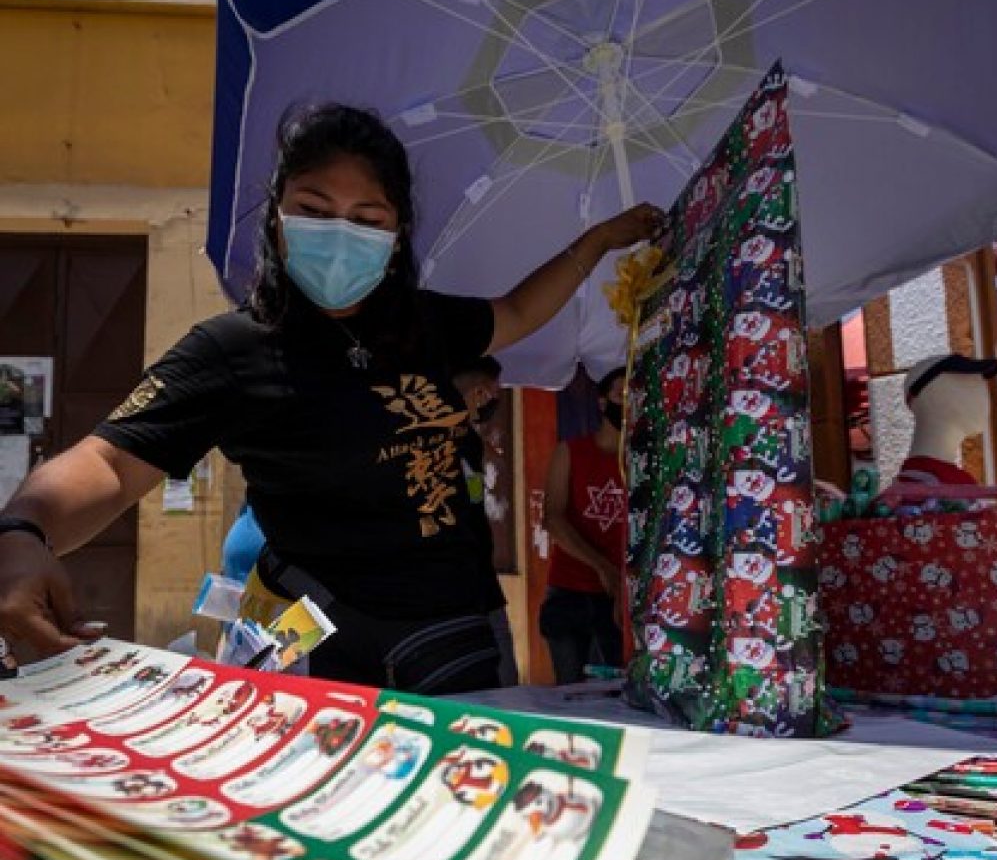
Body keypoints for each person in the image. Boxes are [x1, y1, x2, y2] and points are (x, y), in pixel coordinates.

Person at [0, 103, 662, 695]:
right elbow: (112, 463)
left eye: (366, 219)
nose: (340, 234)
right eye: (314, 211)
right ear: (278, 216)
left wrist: (599, 241)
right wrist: (23, 534)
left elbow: (518, 310)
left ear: (397, 233)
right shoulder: (233, 350)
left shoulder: (427, 324)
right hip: (310, 633)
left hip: (455, 629)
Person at [539, 367, 627, 684]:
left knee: (619, 688)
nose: (627, 403)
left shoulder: (642, 460)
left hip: (621, 598)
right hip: (570, 589)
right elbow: (553, 518)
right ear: (602, 402)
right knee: (568, 689)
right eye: (621, 395)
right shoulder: (571, 451)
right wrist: (603, 567)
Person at [452, 356, 517, 686]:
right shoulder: (429, 445)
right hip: (450, 595)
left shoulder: (470, 442)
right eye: (493, 393)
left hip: (483, 588)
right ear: (478, 394)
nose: (494, 400)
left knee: (504, 686)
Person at [896, 353, 997, 486]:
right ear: (932, 395)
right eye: (970, 385)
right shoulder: (926, 489)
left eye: (982, 385)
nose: (985, 397)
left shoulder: (939, 483)